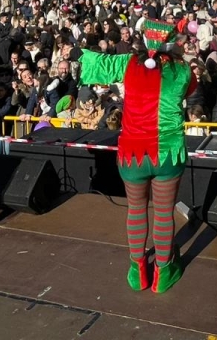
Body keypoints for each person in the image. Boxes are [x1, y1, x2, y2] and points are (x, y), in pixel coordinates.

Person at [77, 19, 194, 294]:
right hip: (168, 152)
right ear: (172, 42)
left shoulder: (128, 63)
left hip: (132, 153)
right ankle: (163, 273)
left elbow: (95, 66)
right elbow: (190, 90)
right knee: (165, 212)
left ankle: (137, 271)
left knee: (136, 210)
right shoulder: (183, 69)